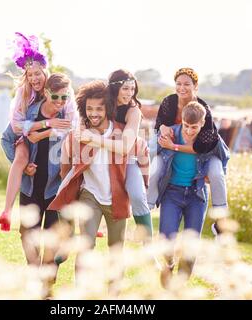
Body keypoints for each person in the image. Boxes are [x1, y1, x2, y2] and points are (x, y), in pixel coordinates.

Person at [49, 80, 147, 293]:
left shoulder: (122, 133)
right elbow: (66, 166)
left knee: (116, 251)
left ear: (108, 108)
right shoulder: (79, 133)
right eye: (89, 108)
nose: (93, 113)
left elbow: (142, 158)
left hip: (117, 199)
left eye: (99, 108)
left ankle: (114, 296)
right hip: (89, 196)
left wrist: (142, 188)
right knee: (85, 247)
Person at [0, 32, 78, 231]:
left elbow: (71, 121)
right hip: (23, 136)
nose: (34, 78)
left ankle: (85, 219)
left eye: (37, 73)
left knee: (73, 166)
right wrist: (42, 125)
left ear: (45, 71)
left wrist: (47, 130)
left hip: (52, 142)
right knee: (20, 158)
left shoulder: (58, 89)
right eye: (29, 75)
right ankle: (6, 210)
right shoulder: (24, 93)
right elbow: (16, 126)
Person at [156, 101, 229, 287]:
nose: (189, 131)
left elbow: (224, 156)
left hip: (197, 195)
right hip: (172, 193)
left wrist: (214, 174)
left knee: (191, 245)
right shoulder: (171, 133)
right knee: (166, 238)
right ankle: (169, 264)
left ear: (203, 123)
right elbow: (153, 152)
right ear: (182, 121)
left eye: (194, 127)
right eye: (186, 126)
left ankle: (180, 288)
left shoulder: (210, 139)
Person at [12, 73, 73, 297]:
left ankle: (47, 282)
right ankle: (33, 273)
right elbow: (9, 137)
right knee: (28, 233)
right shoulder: (30, 112)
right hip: (31, 183)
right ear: (46, 92)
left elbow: (73, 135)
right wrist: (22, 163)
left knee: (53, 235)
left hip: (55, 185)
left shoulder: (68, 114)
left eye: (64, 97)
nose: (59, 102)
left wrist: (45, 132)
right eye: (55, 96)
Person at [76, 70, 152, 242]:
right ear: (114, 88)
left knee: (138, 196)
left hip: (127, 159)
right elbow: (83, 122)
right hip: (100, 158)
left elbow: (125, 147)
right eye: (125, 89)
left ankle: (148, 243)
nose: (130, 93)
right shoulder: (103, 101)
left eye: (132, 89)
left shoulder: (133, 111)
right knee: (71, 184)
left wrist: (93, 139)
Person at [154, 67, 229, 237]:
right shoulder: (169, 102)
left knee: (216, 174)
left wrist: (172, 146)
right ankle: (148, 201)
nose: (182, 88)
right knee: (155, 163)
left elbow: (204, 146)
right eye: (178, 84)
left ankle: (221, 221)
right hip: (174, 143)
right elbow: (158, 125)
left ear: (195, 86)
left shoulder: (203, 107)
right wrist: (164, 127)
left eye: (187, 84)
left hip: (208, 149)